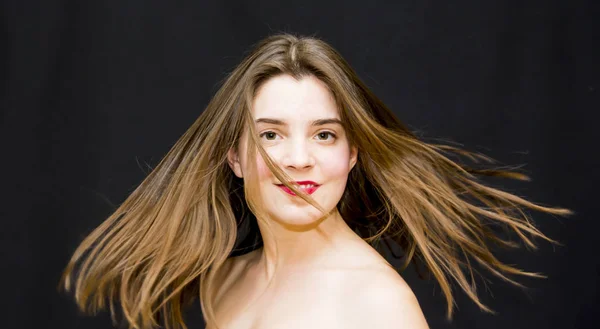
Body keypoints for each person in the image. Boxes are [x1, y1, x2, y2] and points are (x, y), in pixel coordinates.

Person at [59, 33, 571, 329]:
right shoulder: (224, 280)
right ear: (233, 157)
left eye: (325, 135)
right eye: (271, 135)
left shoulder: (377, 308)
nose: (299, 159)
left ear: (353, 155)